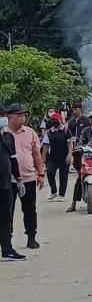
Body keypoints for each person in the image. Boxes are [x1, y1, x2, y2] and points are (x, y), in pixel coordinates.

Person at [6, 104, 44, 249]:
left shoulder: (30, 132)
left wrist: (40, 174)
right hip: (8, 180)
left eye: (24, 115)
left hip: (28, 178)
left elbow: (36, 154)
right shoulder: (3, 133)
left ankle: (31, 237)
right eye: (19, 115)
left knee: (30, 209)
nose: (23, 118)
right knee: (7, 211)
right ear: (10, 117)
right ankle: (7, 239)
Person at [0, 105, 25, 261]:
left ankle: (7, 250)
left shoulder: (8, 137)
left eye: (3, 115)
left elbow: (13, 160)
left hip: (5, 185)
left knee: (5, 217)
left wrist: (19, 179)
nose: (3, 119)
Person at [65, 110, 92, 213]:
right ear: (89, 119)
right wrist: (79, 148)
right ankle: (73, 204)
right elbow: (80, 142)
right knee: (80, 177)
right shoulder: (85, 131)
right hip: (88, 157)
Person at [42, 112, 72, 201]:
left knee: (63, 176)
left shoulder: (66, 130)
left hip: (64, 157)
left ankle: (62, 195)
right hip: (52, 157)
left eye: (56, 120)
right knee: (50, 173)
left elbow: (70, 143)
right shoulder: (49, 132)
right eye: (53, 120)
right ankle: (54, 192)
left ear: (60, 120)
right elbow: (46, 145)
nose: (54, 122)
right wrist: (43, 157)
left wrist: (70, 154)